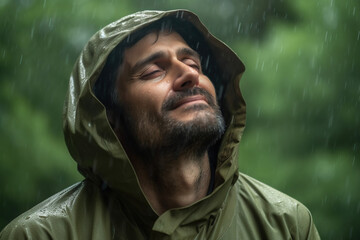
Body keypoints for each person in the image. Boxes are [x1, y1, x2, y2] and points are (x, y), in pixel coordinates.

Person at [0, 9, 320, 239]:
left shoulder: (286, 224)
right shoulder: (42, 234)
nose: (190, 75)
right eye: (154, 71)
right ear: (109, 117)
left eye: (193, 63)